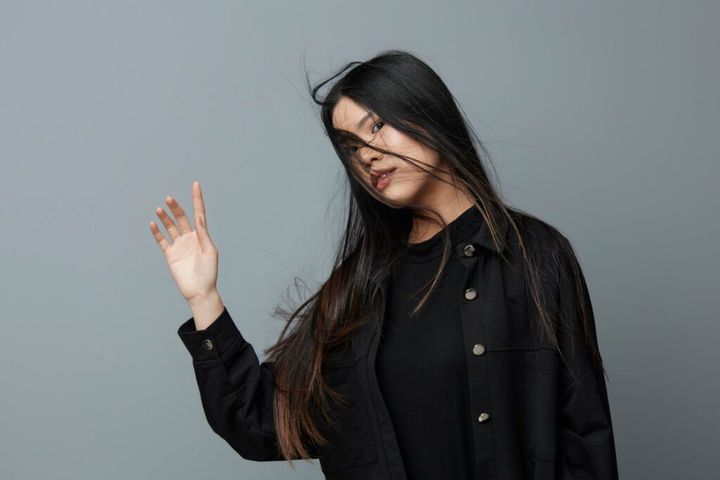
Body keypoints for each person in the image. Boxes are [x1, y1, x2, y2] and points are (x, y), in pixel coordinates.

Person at [149, 49, 619, 479]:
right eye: (351, 146)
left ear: (427, 112)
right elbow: (264, 423)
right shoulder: (358, 289)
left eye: (375, 126)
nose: (367, 154)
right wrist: (204, 299)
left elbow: (585, 436)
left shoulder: (534, 255)